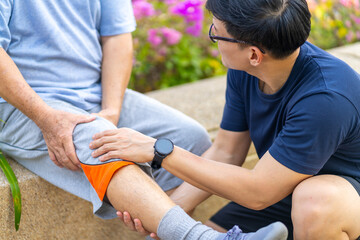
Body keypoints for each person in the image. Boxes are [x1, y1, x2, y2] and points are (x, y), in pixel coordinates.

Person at [0, 0, 288, 239]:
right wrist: (46, 117)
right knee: (102, 139)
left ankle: (169, 231)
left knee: (190, 138)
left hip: (94, 92)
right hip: (23, 104)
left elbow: (117, 37)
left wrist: (112, 109)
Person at [90, 0, 360, 239]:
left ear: (254, 54)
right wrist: (166, 214)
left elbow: (258, 192)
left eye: (216, 34)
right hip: (284, 189)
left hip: (337, 197)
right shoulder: (249, 68)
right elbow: (227, 151)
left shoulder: (325, 98)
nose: (214, 38)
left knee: (315, 200)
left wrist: (157, 150)